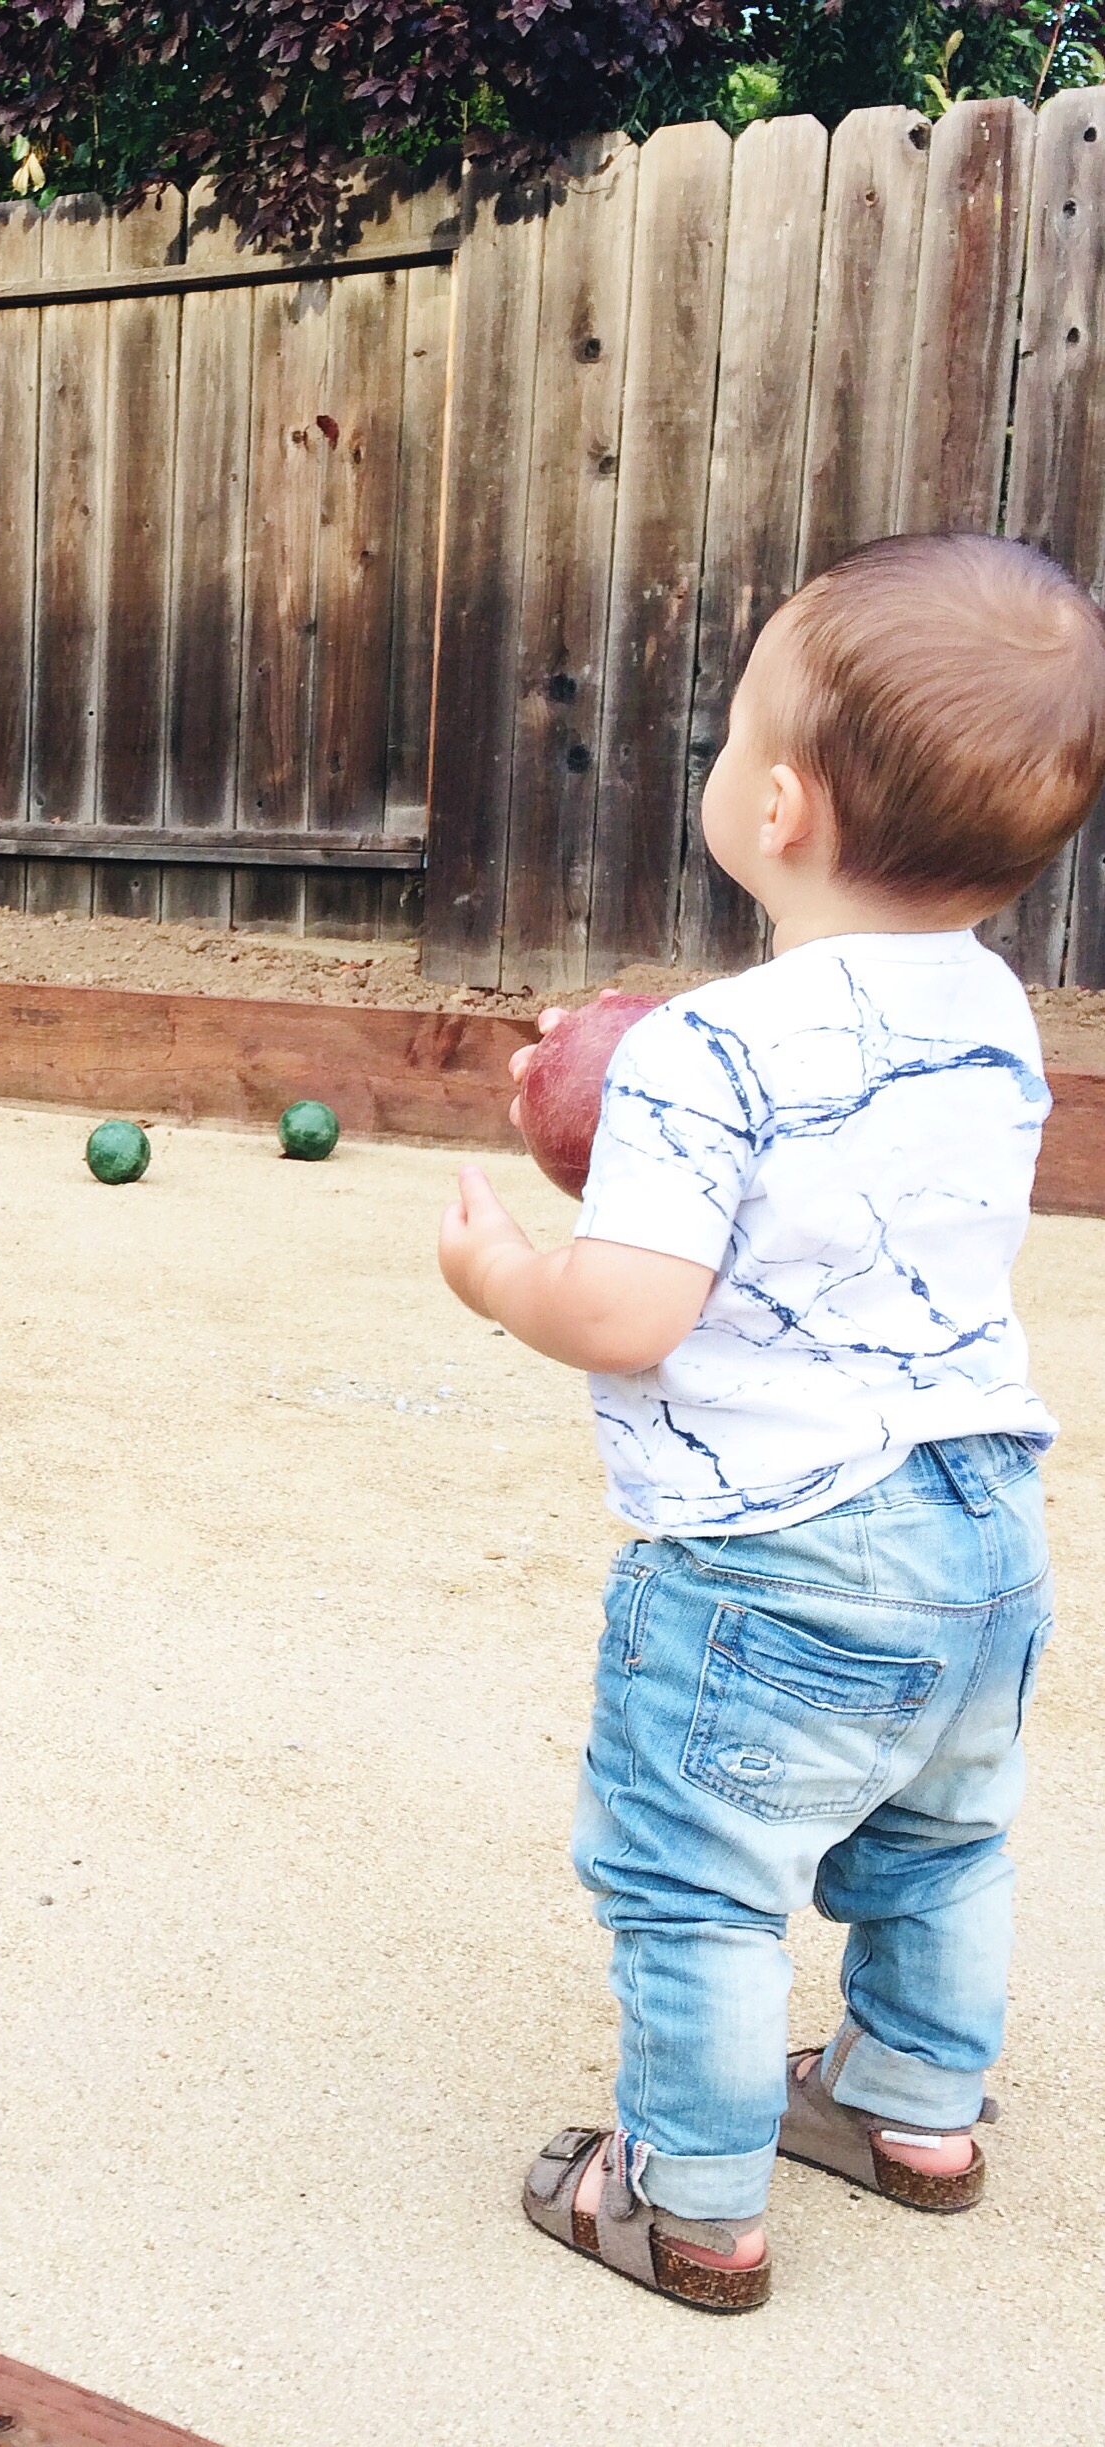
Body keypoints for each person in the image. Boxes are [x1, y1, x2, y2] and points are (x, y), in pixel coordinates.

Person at [437, 532, 1105, 2311]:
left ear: (783, 808)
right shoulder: (998, 1020)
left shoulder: (704, 1050)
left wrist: (511, 1265)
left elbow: (635, 1309)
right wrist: (617, 1130)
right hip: (982, 1529)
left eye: (734, 736)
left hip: (779, 1558)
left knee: (699, 1881)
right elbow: (841, 1200)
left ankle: (691, 2205)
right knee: (945, 1836)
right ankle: (908, 2105)